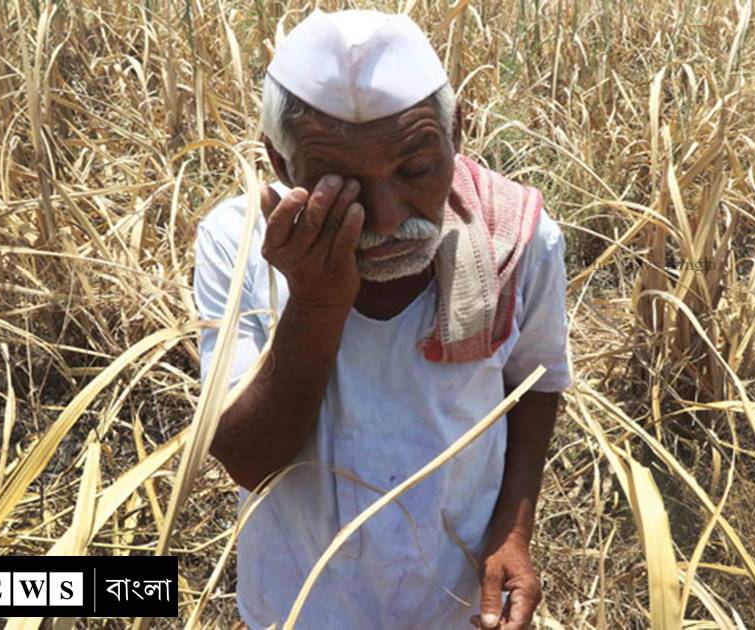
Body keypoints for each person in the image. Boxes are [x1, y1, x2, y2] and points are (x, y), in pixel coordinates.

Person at [192, 9, 572, 629]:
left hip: (450, 598)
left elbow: (536, 383)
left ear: (456, 130)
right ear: (282, 164)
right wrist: (316, 302)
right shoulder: (239, 248)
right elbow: (248, 461)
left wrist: (511, 531)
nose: (390, 217)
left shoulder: (517, 239)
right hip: (305, 600)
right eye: (342, 185)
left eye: (417, 171)